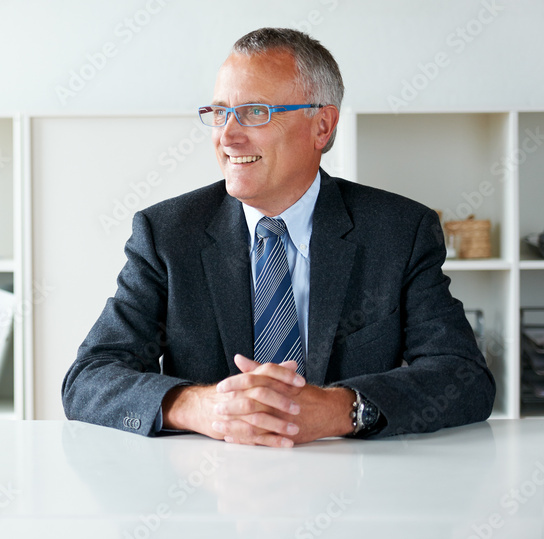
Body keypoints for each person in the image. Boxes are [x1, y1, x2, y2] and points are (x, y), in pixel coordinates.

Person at [61, 28, 495, 447]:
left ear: (322, 126)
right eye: (219, 112)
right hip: (209, 484)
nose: (228, 136)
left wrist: (341, 409)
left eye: (255, 113)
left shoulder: (399, 231)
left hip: (353, 482)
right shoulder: (167, 234)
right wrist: (203, 407)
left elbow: (464, 376)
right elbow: (89, 378)